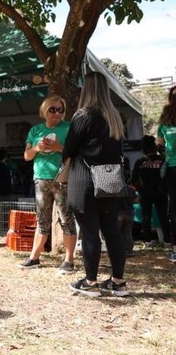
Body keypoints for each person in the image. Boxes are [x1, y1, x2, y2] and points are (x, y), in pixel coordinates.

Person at [63, 71, 129, 297]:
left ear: (86, 89)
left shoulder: (83, 116)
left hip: (86, 180)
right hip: (111, 181)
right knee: (112, 231)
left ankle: (90, 283)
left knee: (90, 232)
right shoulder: (115, 116)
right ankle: (118, 282)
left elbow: (68, 149)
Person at [18, 96, 77, 272]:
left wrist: (59, 147)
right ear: (44, 110)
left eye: (61, 110)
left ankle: (69, 261)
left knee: (66, 219)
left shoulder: (69, 128)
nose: (57, 113)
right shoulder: (35, 130)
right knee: (42, 220)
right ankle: (34, 258)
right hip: (41, 178)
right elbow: (26, 156)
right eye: (53, 109)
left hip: (63, 178)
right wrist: (37, 148)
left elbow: (77, 153)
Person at [131, 135, 168, 248]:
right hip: (161, 193)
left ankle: (148, 241)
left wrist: (138, 189)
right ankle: (167, 241)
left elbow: (134, 179)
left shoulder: (140, 162)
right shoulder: (162, 160)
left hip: (145, 194)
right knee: (163, 216)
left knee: (145, 216)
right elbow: (168, 175)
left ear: (143, 149)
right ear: (154, 147)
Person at [156, 86, 176, 263]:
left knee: (175, 209)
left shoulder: (164, 123)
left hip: (172, 168)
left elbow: (159, 146)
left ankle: (175, 250)